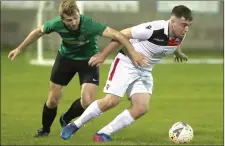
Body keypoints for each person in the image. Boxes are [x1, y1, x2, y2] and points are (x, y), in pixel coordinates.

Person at [8, 0, 148, 137]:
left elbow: (118, 35)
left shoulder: (89, 25)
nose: (73, 22)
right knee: (53, 99)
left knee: (87, 102)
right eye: (69, 20)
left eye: (75, 18)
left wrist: (132, 52)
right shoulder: (55, 24)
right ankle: (45, 130)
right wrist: (19, 48)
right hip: (65, 60)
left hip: (89, 61)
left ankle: (66, 118)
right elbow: (38, 32)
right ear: (62, 19)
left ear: (79, 14)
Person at [60, 5, 192, 141]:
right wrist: (103, 55)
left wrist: (178, 53)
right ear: (172, 21)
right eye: (183, 25)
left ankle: (103, 134)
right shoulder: (153, 29)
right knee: (111, 101)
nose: (186, 28)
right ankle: (74, 125)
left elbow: (174, 42)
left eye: (188, 25)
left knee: (141, 107)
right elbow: (121, 35)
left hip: (145, 70)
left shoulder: (179, 33)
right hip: (126, 63)